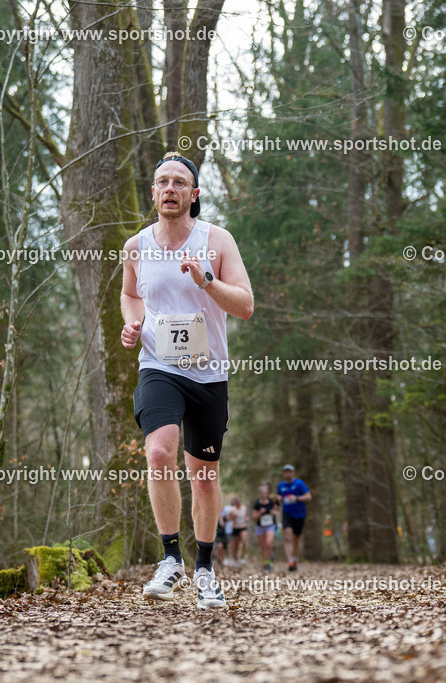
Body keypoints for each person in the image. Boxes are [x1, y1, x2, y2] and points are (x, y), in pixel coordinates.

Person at [120, 152, 254, 609]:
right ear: (153, 192)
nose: (170, 189)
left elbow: (245, 305)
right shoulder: (136, 246)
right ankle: (170, 558)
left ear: (193, 194)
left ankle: (205, 568)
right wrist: (133, 323)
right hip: (159, 365)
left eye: (180, 182)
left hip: (209, 373)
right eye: (163, 182)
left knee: (204, 477)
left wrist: (207, 281)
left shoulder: (217, 240)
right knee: (159, 452)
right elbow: (130, 294)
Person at [278, 464, 311, 571]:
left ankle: (295, 558)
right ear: (283, 474)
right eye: (286, 472)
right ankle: (290, 562)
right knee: (288, 537)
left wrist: (297, 498)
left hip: (299, 514)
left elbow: (309, 497)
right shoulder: (281, 486)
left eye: (290, 471)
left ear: (293, 473)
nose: (288, 474)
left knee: (296, 538)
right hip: (287, 513)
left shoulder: (299, 483)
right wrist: (278, 499)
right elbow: (280, 498)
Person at [251, 484, 278, 572]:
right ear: (260, 494)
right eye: (262, 493)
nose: (264, 495)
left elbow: (276, 510)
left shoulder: (271, 502)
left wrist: (274, 512)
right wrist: (260, 513)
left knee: (269, 544)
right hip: (260, 527)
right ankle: (264, 563)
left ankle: (269, 562)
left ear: (267, 494)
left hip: (270, 525)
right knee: (263, 547)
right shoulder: (257, 504)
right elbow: (254, 517)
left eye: (265, 493)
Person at [229, 495, 248, 566]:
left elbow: (247, 516)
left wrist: (247, 519)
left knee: (244, 541)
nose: (238, 503)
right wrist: (232, 517)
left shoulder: (244, 508)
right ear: (235, 502)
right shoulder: (232, 509)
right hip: (235, 528)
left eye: (239, 501)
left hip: (243, 527)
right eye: (237, 502)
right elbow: (229, 518)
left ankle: (242, 557)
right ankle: (235, 558)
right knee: (236, 545)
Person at [216, 499, 234, 566]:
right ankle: (219, 559)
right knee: (219, 546)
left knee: (223, 549)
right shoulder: (215, 517)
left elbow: (223, 524)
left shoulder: (224, 517)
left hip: (224, 534)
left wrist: (231, 513)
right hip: (218, 534)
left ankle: (221, 560)